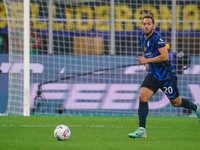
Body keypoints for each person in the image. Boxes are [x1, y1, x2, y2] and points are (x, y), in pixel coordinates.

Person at [128, 15, 200, 139]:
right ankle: (141, 130)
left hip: (166, 76)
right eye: (144, 24)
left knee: (176, 103)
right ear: (141, 26)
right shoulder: (142, 39)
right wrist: (147, 63)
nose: (146, 26)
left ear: (153, 26)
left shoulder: (157, 38)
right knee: (142, 97)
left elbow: (165, 56)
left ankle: (196, 108)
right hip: (153, 75)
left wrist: (147, 60)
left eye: (149, 24)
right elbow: (148, 53)